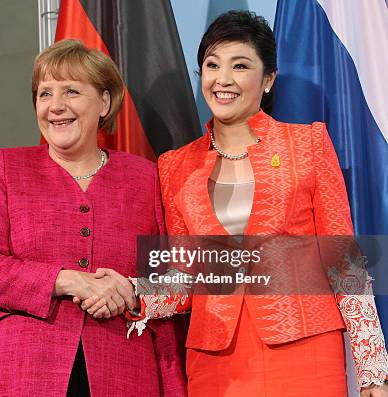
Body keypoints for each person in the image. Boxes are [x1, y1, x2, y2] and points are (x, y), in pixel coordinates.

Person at [79, 10, 388, 397]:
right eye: (212, 65)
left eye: (239, 66)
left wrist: (373, 370)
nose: (222, 79)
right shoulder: (175, 165)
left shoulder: (308, 144)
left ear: (269, 79)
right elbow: (186, 276)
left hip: (306, 347)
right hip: (216, 359)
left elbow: (343, 259)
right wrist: (131, 290)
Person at [0, 39, 185, 396]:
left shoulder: (146, 177)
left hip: (124, 371)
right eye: (44, 93)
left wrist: (132, 293)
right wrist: (66, 280)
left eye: (71, 91)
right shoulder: (5, 168)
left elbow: (178, 281)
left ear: (105, 102)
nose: (55, 106)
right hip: (23, 373)